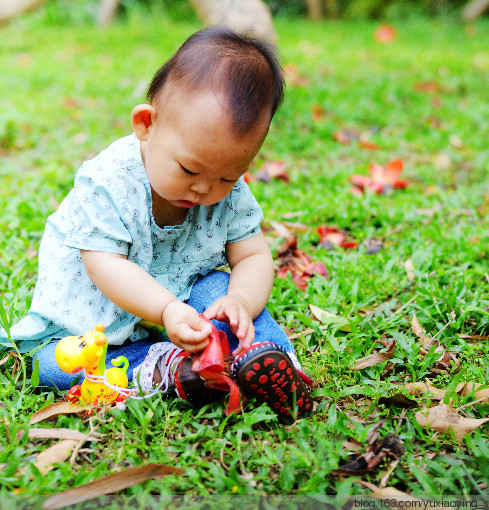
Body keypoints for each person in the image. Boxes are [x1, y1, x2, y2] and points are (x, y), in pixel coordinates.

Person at [0, 27, 313, 423]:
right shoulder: (108, 182)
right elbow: (105, 265)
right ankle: (167, 368)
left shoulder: (225, 191)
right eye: (189, 169)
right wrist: (165, 311)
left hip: (183, 301)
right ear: (147, 124)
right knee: (51, 366)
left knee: (221, 292)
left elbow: (252, 253)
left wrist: (241, 302)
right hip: (95, 320)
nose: (204, 188)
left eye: (227, 177)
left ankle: (272, 362)